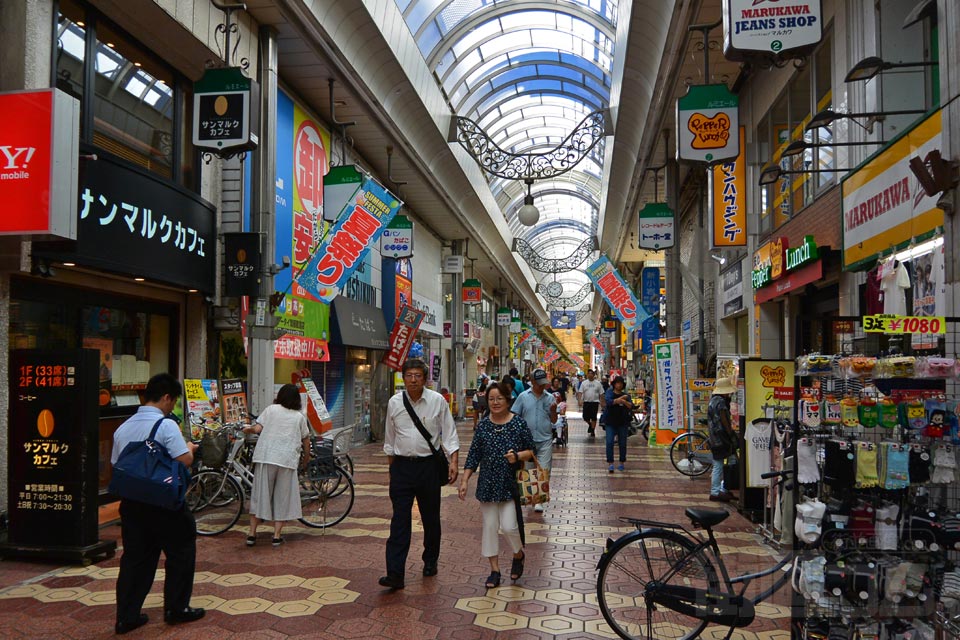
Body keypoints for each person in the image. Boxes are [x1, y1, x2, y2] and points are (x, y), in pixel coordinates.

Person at [111, 373, 204, 635]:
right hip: (164, 502)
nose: (171, 406)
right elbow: (184, 460)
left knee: (135, 559)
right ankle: (176, 608)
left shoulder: (123, 427)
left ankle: (126, 617)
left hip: (132, 504)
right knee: (181, 551)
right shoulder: (165, 425)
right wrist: (190, 448)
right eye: (172, 401)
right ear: (166, 397)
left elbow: (117, 464)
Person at [380, 358, 460, 590]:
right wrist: (392, 470)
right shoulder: (395, 402)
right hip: (402, 468)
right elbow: (390, 438)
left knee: (430, 518)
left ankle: (430, 560)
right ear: (403, 378)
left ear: (425, 379)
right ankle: (395, 573)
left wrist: (454, 461)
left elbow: (449, 432)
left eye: (418, 376)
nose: (413, 380)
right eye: (409, 375)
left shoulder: (437, 401)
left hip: (428, 468)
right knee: (399, 521)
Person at [458, 382, 535, 588]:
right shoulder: (483, 425)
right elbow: (474, 455)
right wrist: (465, 480)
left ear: (508, 400)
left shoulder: (518, 423)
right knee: (490, 527)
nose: (495, 402)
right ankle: (494, 570)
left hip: (509, 485)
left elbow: (531, 451)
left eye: (499, 398)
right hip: (487, 485)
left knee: (509, 527)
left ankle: (518, 554)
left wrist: (517, 456)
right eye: (491, 399)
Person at [242, 383, 311, 547]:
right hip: (287, 460)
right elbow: (306, 440)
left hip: (266, 457)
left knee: (260, 496)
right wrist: (306, 460)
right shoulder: (299, 417)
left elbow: (257, 429)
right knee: (282, 497)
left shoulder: (271, 410)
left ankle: (252, 534)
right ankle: (276, 536)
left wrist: (247, 429)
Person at [511, 368, 557, 513]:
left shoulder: (550, 398)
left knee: (544, 469)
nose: (542, 386)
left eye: (544, 383)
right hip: (527, 441)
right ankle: (532, 496)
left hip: (545, 439)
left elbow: (554, 420)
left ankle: (539, 501)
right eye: (539, 383)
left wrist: (554, 411)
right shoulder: (523, 397)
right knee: (529, 470)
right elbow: (515, 416)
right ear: (532, 382)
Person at [708, 377, 738, 502]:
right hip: (721, 438)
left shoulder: (712, 400)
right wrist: (730, 433)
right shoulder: (721, 402)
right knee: (720, 464)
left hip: (714, 437)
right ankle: (716, 492)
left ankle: (723, 489)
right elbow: (724, 420)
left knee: (725, 462)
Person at [602, 376, 634, 473]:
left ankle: (621, 462)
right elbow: (609, 402)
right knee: (609, 442)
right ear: (614, 384)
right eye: (617, 383)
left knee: (622, 443)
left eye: (620, 383)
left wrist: (623, 401)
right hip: (610, 422)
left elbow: (631, 406)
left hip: (623, 422)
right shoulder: (609, 393)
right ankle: (610, 463)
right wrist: (622, 400)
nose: (619, 385)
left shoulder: (626, 395)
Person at [579, 369, 604, 437]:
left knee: (593, 417)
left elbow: (601, 393)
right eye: (589, 374)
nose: (590, 375)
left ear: (594, 375)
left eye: (591, 374)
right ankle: (590, 425)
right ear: (587, 375)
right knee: (585, 417)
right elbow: (580, 392)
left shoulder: (598, 383)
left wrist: (602, 402)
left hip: (595, 402)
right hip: (586, 402)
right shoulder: (584, 383)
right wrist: (579, 400)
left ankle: (593, 430)